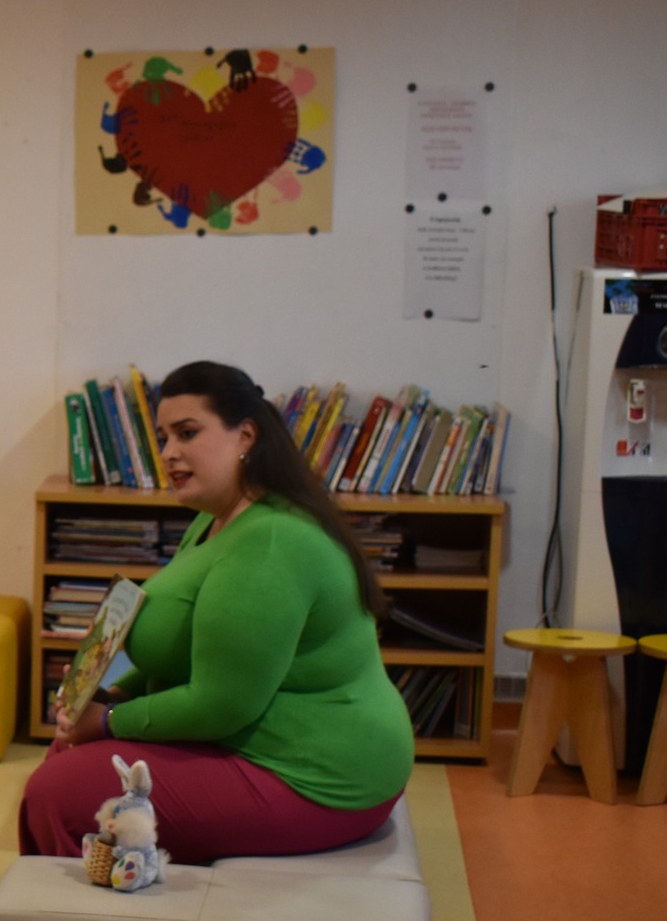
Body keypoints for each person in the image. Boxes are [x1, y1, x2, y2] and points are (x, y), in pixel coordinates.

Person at [20, 360, 413, 864]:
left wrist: (111, 720)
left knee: (61, 792)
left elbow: (223, 703)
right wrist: (117, 694)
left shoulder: (270, 543)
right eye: (163, 438)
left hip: (318, 774)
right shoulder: (215, 521)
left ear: (245, 435)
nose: (169, 453)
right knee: (68, 758)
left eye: (187, 433)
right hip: (258, 745)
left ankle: (84, 908)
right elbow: (190, 651)